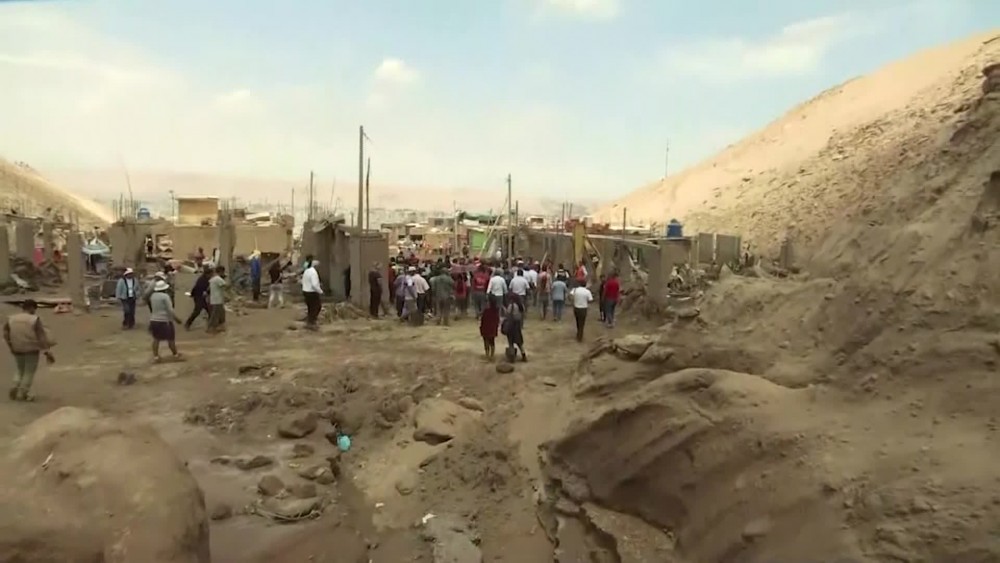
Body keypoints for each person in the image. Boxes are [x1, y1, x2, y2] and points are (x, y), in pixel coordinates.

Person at [4, 299, 54, 401]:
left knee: (20, 369)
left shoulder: (11, 318)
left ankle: (15, 385)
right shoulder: (34, 319)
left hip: (17, 347)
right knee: (29, 371)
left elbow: (5, 334)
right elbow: (41, 336)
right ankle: (23, 392)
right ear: (31, 308)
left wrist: (10, 346)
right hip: (31, 348)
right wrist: (47, 351)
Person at [148, 279, 183, 362]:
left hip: (154, 319)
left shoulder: (153, 296)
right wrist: (176, 319)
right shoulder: (165, 296)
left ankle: (156, 356)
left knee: (156, 339)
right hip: (165, 320)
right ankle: (175, 355)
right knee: (170, 339)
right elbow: (170, 310)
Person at [301, 259, 323, 329]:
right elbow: (314, 284)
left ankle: (309, 322)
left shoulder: (306, 271)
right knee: (317, 307)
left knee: (310, 308)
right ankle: (312, 322)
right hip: (312, 292)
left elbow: (302, 281)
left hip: (305, 291)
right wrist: (320, 291)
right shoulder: (313, 272)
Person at [206, 265, 228, 334]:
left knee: (221, 314)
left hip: (215, 299)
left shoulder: (212, 279)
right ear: (221, 271)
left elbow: (208, 289)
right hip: (217, 300)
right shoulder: (218, 279)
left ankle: (219, 327)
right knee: (215, 315)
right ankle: (210, 328)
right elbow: (225, 286)